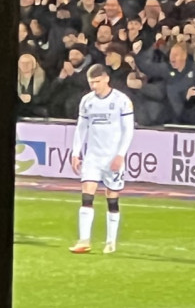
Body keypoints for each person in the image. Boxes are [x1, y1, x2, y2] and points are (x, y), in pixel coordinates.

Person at [69, 63, 135, 254]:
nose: (94, 86)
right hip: (93, 157)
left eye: (97, 82)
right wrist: (76, 152)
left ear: (106, 79)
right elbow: (81, 128)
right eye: (91, 82)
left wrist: (120, 155)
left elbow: (128, 130)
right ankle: (84, 240)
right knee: (87, 195)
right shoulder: (87, 101)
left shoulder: (122, 101)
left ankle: (110, 241)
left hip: (113, 157)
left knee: (112, 199)